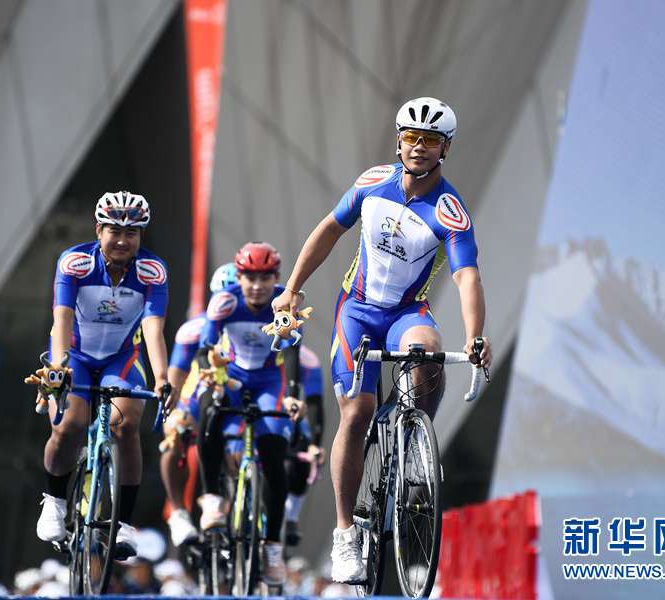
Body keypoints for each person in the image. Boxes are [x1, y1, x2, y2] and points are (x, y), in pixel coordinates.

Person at [271, 97, 493, 583]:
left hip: (407, 312)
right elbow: (329, 230)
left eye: (430, 140)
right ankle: (345, 533)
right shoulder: (373, 183)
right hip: (356, 310)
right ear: (399, 141)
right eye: (411, 137)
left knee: (428, 353)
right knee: (356, 413)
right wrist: (291, 289)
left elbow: (467, 277)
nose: (419, 147)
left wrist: (475, 336)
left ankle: (412, 444)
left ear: (445, 149)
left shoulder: (450, 212)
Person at [33, 191, 178, 559]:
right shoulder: (75, 264)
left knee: (126, 426)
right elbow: (62, 319)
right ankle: (55, 500)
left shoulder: (152, 272)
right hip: (75, 356)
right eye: (115, 231)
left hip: (121, 359)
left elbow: (154, 329)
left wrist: (162, 377)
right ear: (99, 231)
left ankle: (124, 523)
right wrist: (59, 368)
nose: (122, 240)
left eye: (132, 233)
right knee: (69, 425)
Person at [196, 242, 303, 585]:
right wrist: (211, 375)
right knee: (208, 412)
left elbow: (293, 354)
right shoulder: (225, 301)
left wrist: (293, 395)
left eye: (265, 278)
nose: (257, 286)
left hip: (270, 381)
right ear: (239, 277)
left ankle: (272, 547)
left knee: (274, 457)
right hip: (233, 376)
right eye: (250, 278)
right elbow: (204, 348)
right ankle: (213, 498)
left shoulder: (283, 302)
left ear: (276, 277)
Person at [161, 263, 239, 547]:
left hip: (237, 395)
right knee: (175, 436)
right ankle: (179, 512)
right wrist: (173, 412)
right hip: (197, 395)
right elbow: (176, 377)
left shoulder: (256, 324)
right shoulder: (194, 329)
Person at [284, 344, 326, 547]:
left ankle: (291, 516)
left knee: (305, 445)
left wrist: (315, 444)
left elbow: (315, 402)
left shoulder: (308, 360)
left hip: (289, 415)